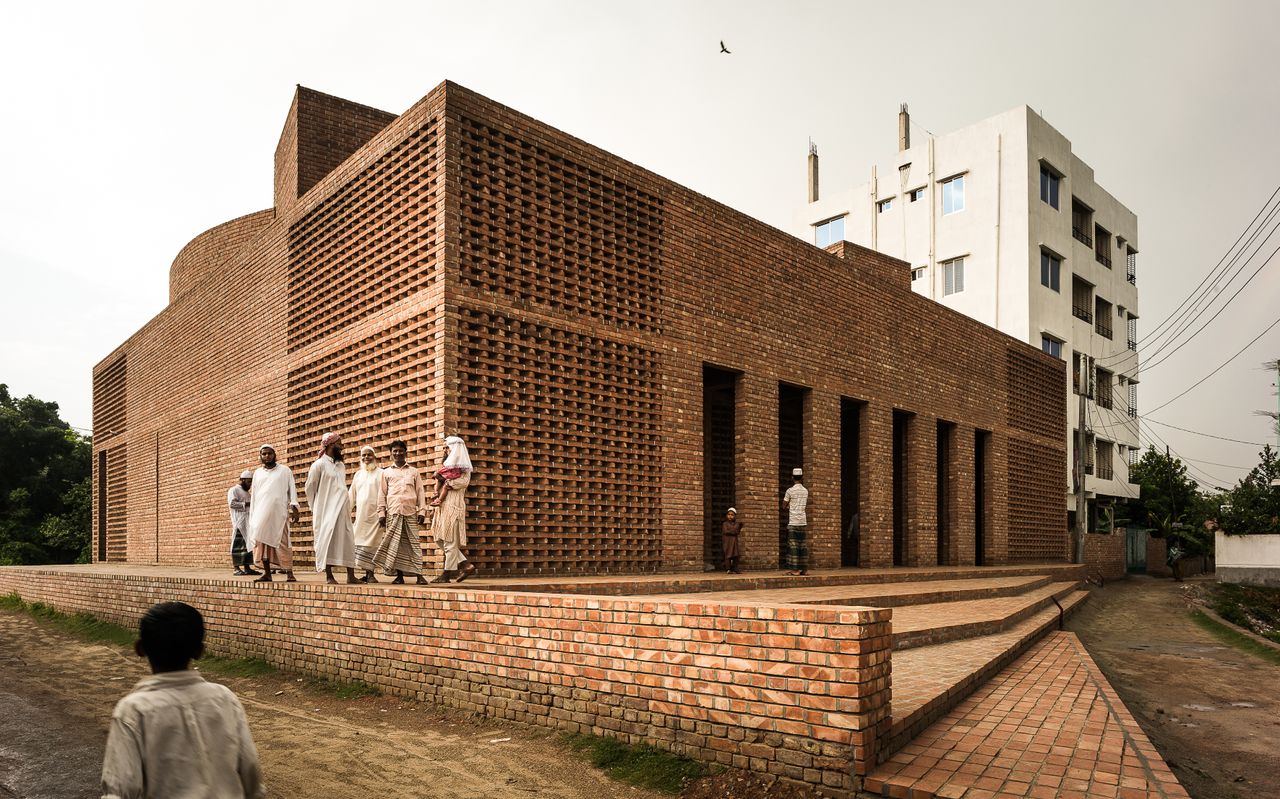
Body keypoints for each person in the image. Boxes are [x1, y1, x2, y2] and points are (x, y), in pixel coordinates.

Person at [100, 601, 265, 799]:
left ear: (140, 648)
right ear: (200, 651)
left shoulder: (134, 710)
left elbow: (121, 789)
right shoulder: (224, 698)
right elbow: (250, 768)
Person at [304, 432, 360, 584]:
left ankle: (351, 576)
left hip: (342, 508)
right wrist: (316, 507)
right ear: (330, 445)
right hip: (326, 509)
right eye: (339, 443)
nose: (342, 447)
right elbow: (310, 488)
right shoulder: (318, 465)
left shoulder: (340, 465)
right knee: (326, 539)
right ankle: (329, 575)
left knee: (348, 539)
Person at [374, 440, 429, 584]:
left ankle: (419, 575)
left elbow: (420, 492)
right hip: (393, 513)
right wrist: (381, 513)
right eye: (395, 451)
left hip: (410, 513)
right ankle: (399, 577)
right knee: (396, 545)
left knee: (414, 544)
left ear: (406, 452)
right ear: (391, 454)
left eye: (400, 451)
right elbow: (382, 494)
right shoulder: (386, 472)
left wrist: (422, 511)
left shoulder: (414, 471)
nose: (398, 453)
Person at [248, 444, 299, 583]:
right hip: (261, 514)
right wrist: (253, 516)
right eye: (264, 454)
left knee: (283, 543)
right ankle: (267, 573)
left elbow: (292, 489)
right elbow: (254, 496)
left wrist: (294, 507)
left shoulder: (284, 470)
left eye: (269, 453)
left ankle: (289, 573)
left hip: (279, 514)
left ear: (274, 455)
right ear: (260, 456)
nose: (267, 456)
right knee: (262, 543)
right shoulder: (258, 473)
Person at [430, 435, 476, 584]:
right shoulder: (447, 466)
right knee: (439, 539)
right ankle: (465, 564)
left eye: (447, 447)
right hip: (442, 507)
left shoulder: (464, 468)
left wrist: (445, 480)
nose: (445, 450)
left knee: (449, 541)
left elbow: (461, 483)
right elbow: (440, 480)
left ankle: (447, 574)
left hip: (453, 506)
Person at [350, 446, 384, 583]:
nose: (366, 458)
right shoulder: (358, 474)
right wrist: (346, 512)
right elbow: (351, 495)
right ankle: (365, 573)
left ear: (374, 457)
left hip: (376, 516)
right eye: (363, 455)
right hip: (361, 516)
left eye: (369, 455)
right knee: (359, 543)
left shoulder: (381, 473)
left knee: (373, 544)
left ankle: (370, 573)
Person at [227, 470, 260, 576]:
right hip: (239, 522)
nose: (250, 485)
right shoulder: (234, 490)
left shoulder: (247, 493)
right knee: (238, 545)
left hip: (248, 523)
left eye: (251, 482)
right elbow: (232, 504)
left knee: (248, 546)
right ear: (242, 480)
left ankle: (247, 568)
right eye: (248, 482)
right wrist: (247, 504)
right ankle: (236, 568)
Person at [783, 467, 809, 576]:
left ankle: (795, 570)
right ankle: (803, 569)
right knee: (802, 545)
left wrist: (790, 506)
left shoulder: (790, 491)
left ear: (792, 478)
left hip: (793, 521)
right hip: (803, 521)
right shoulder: (805, 491)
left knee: (793, 546)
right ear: (802, 478)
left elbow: (783, 505)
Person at [721, 507, 743, 574]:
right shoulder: (725, 524)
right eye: (729, 514)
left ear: (734, 516)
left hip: (734, 542)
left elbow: (737, 531)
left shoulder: (736, 524)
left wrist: (734, 530)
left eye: (732, 515)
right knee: (728, 555)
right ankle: (728, 569)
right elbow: (726, 531)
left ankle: (735, 568)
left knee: (736, 555)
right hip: (727, 542)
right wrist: (734, 530)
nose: (730, 516)